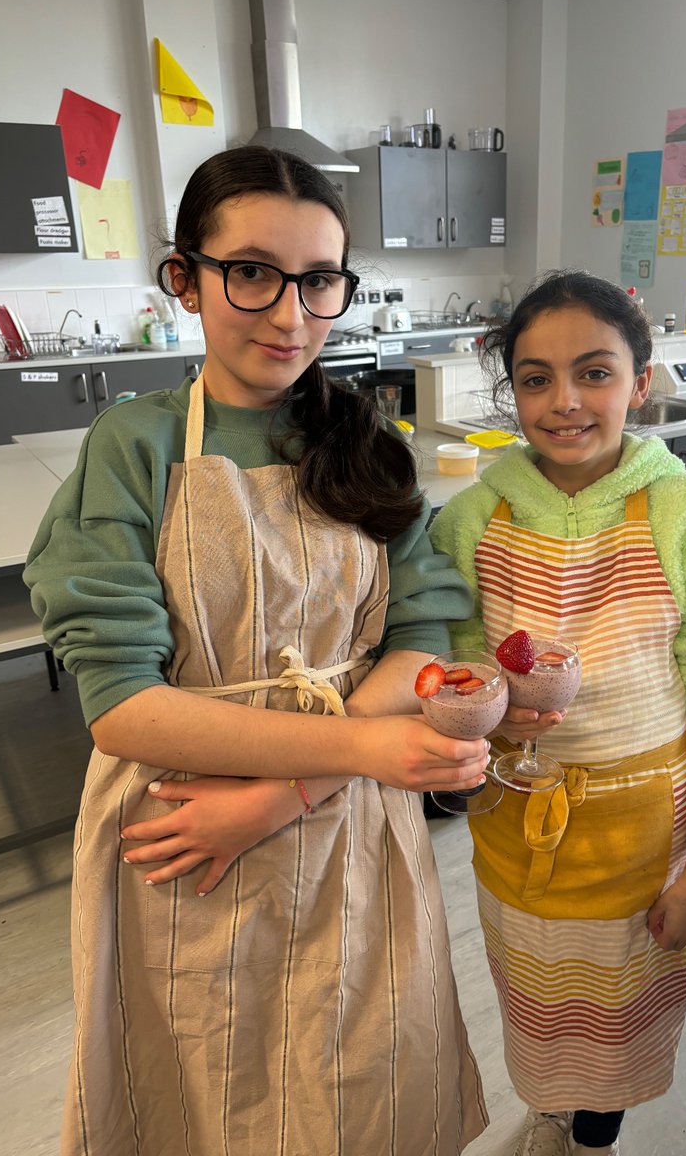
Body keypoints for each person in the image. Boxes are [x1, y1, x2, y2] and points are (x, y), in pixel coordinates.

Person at [24, 146, 490, 1156]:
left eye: (319, 280)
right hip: (186, 838)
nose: (290, 315)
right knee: (204, 1086)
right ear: (185, 278)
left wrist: (286, 794)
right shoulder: (136, 446)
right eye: (252, 273)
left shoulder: (366, 444)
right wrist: (365, 753)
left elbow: (420, 641)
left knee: (355, 1079)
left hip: (346, 836)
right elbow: (124, 708)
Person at [428, 271, 686, 1156]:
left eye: (595, 373)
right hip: (518, 825)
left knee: (617, 1011)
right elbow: (455, 671)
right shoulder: (470, 520)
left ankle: (593, 1138)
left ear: (641, 381)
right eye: (535, 378)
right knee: (539, 996)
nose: (564, 402)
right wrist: (489, 712)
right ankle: (547, 1105)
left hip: (644, 833)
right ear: (512, 391)